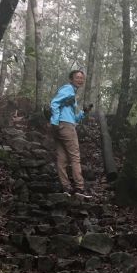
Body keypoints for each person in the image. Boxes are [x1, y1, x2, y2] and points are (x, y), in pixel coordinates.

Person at [50, 69, 91, 198]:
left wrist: (84, 112)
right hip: (65, 126)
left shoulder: (71, 93)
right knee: (75, 157)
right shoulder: (68, 89)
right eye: (77, 77)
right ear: (71, 79)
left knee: (62, 158)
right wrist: (55, 121)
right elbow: (54, 103)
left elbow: (73, 118)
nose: (80, 79)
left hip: (63, 125)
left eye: (81, 78)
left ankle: (66, 187)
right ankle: (79, 188)